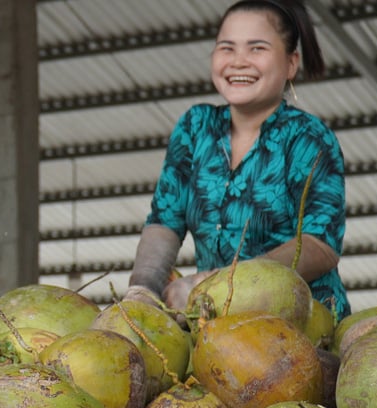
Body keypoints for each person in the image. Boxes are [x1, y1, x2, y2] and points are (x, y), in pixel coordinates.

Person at [125, 0, 349, 320]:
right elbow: (164, 221)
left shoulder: (307, 137)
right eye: (227, 48)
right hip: (213, 320)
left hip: (301, 322)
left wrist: (219, 283)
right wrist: (143, 290)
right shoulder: (195, 127)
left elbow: (320, 246)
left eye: (257, 49)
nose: (238, 62)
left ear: (290, 63)